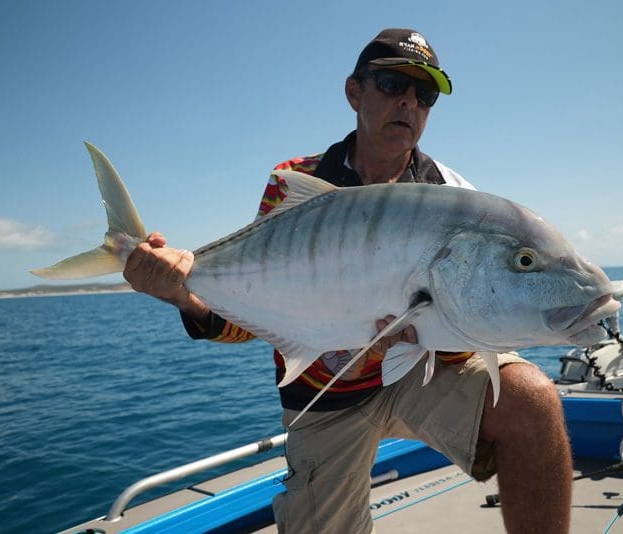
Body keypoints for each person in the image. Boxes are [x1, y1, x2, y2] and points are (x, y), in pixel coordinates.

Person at [124, 28, 572, 533]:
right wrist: (184, 293)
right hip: (327, 396)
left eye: (424, 94)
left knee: (532, 400)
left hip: (416, 375)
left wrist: (426, 335)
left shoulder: (450, 196)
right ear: (354, 93)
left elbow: (464, 328)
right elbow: (252, 319)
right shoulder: (299, 184)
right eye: (390, 84)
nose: (408, 102)